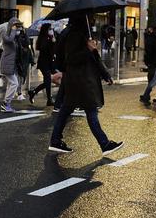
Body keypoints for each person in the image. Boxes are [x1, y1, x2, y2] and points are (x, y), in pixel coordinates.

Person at [49, 15, 123, 156]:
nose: (92, 21)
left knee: (66, 110)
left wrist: (105, 74)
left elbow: (94, 58)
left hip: (80, 80)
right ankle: (104, 144)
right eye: (89, 18)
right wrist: (88, 49)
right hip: (79, 81)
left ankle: (55, 140)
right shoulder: (73, 35)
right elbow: (71, 58)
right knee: (90, 110)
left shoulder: (82, 34)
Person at [28, 23, 56, 106]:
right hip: (44, 63)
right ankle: (49, 100)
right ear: (46, 30)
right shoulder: (43, 38)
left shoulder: (50, 38)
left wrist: (53, 41)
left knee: (47, 81)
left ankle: (33, 92)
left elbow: (53, 50)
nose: (51, 30)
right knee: (48, 80)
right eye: (50, 29)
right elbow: (44, 48)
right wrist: (51, 42)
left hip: (49, 62)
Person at [0, 17, 22, 112]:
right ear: (11, 26)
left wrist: (21, 32)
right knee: (14, 83)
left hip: (12, 64)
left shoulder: (15, 37)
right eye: (16, 26)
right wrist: (13, 30)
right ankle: (5, 103)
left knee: (11, 84)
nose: (17, 28)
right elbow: (9, 40)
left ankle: (6, 104)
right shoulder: (6, 35)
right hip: (7, 63)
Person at [15, 27, 33, 101]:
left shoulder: (24, 38)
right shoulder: (16, 39)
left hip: (23, 60)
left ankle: (19, 92)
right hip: (19, 61)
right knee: (19, 77)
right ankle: (18, 92)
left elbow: (28, 44)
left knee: (21, 77)